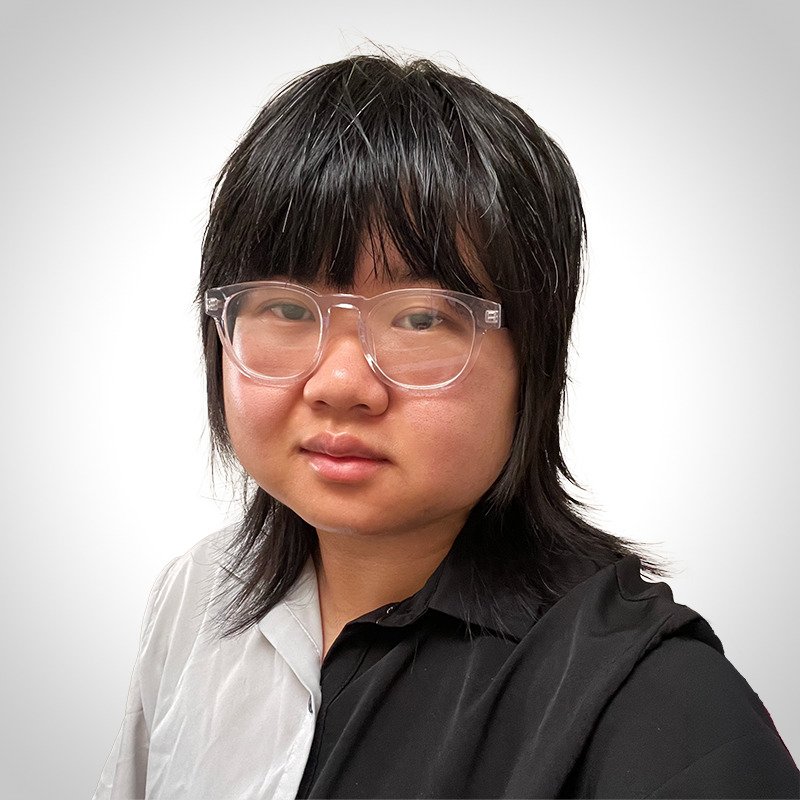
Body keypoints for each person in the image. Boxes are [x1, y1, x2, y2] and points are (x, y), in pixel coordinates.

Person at [94, 54, 799, 799]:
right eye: (288, 309)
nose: (339, 385)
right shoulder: (197, 597)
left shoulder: (660, 704)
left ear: (536, 359)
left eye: (420, 318)